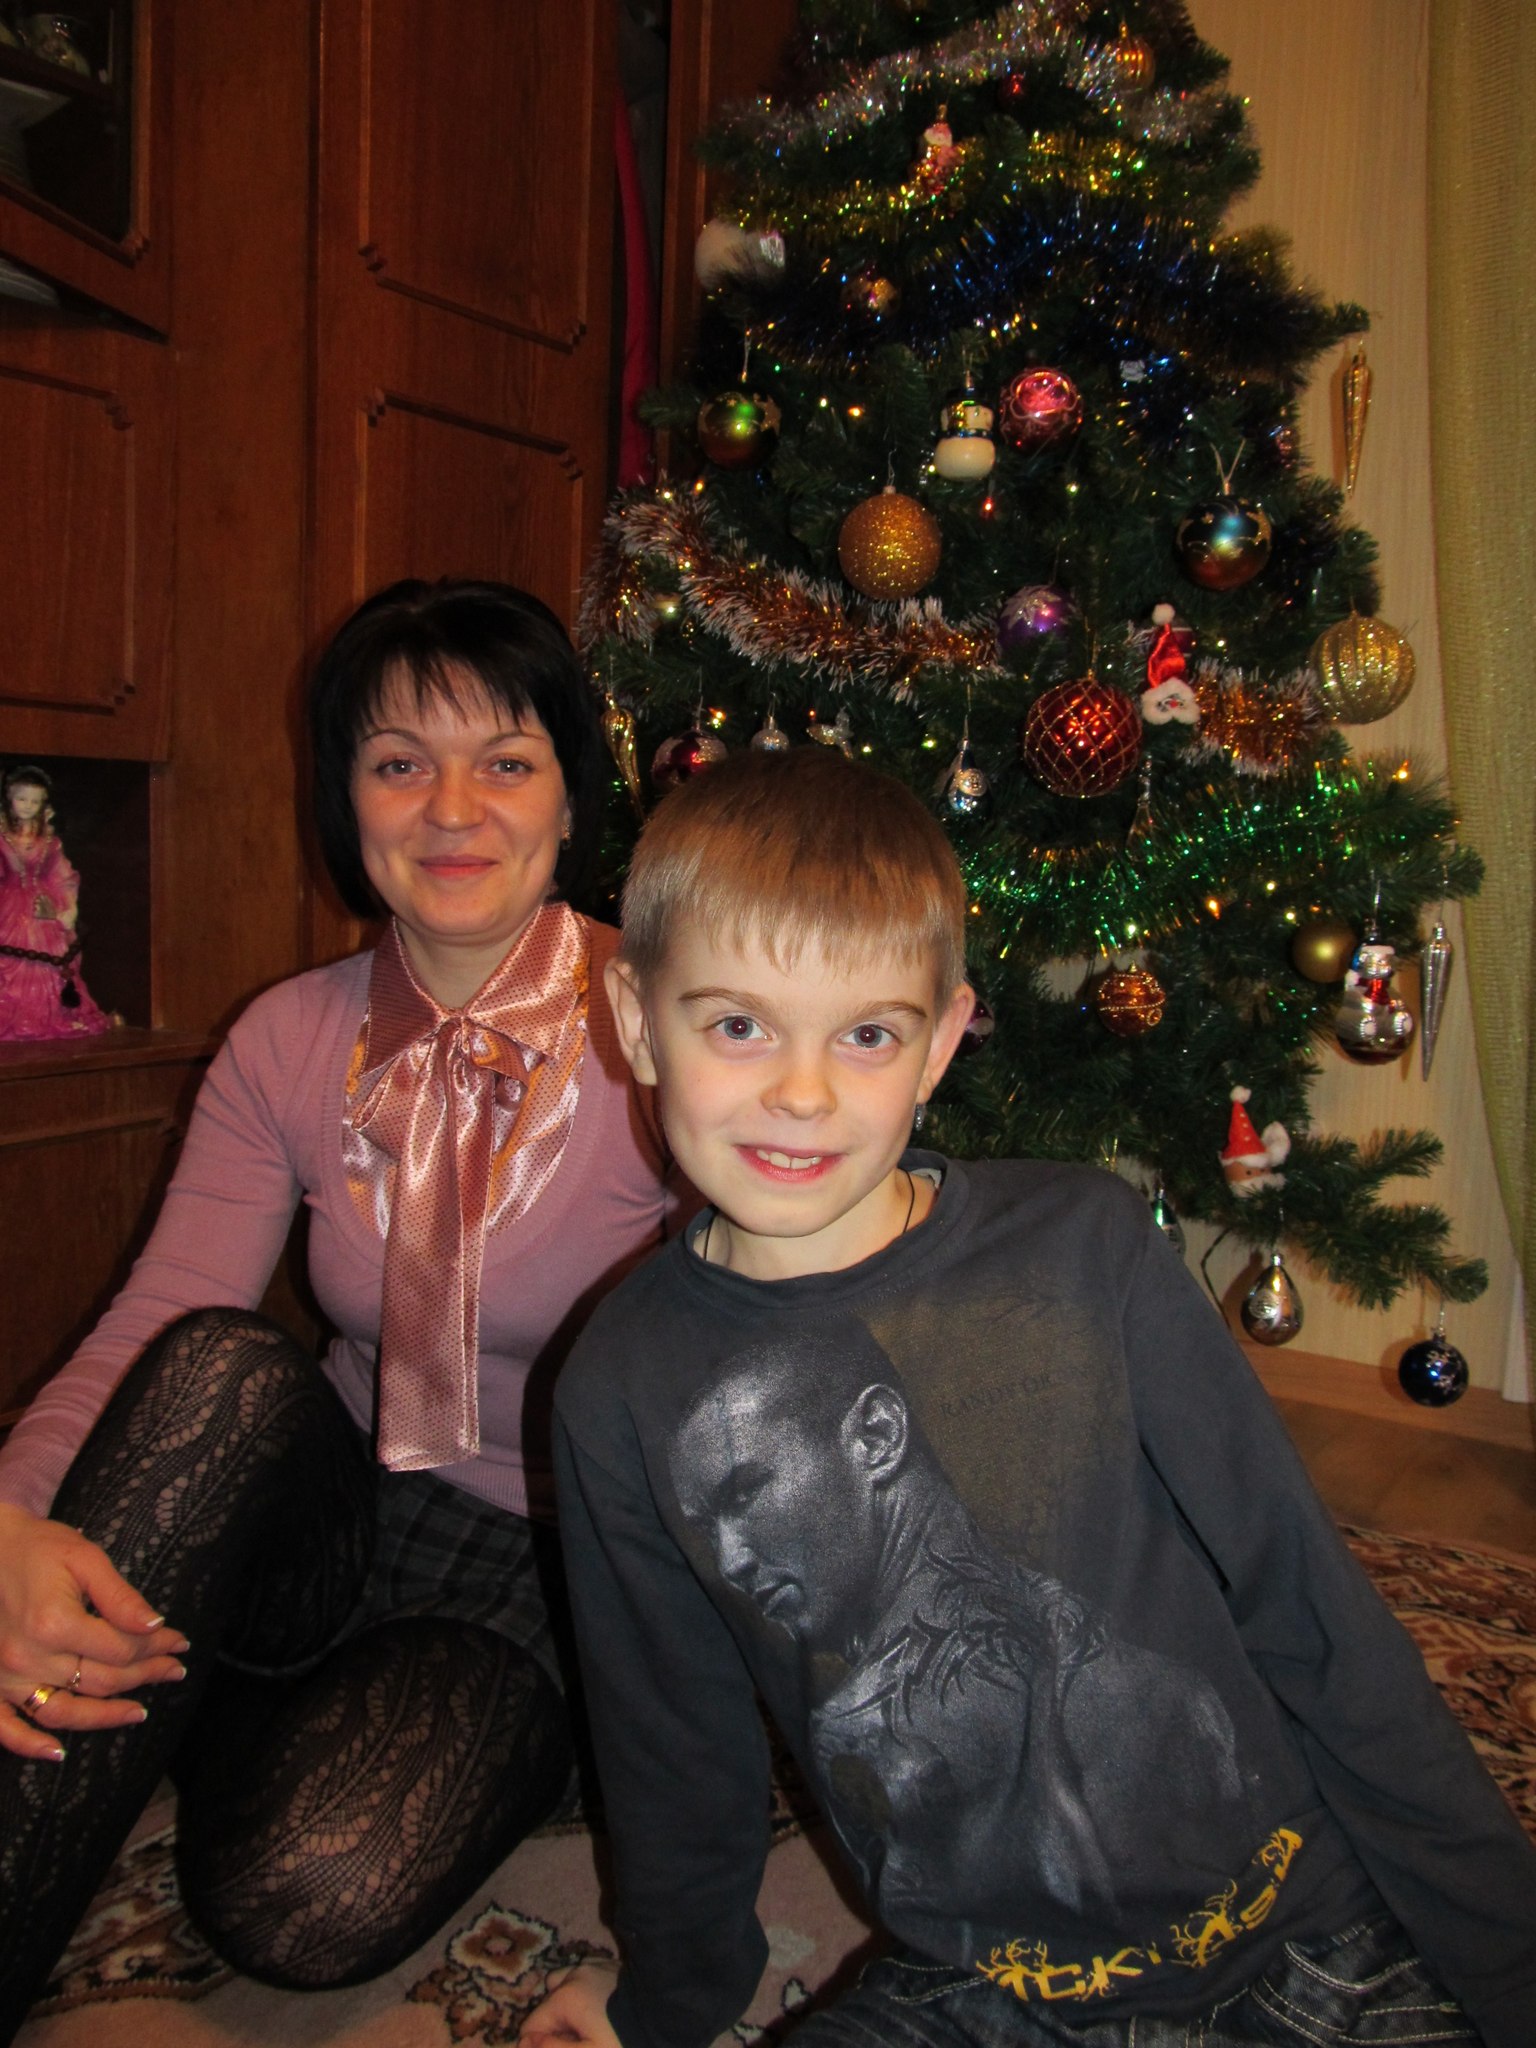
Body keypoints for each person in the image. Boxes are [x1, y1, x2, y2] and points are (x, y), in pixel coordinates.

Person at [522, 746, 1536, 2048]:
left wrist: (1513, 1969)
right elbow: (673, 1746)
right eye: (738, 1025)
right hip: (989, 1988)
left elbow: (1311, 1607)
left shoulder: (1087, 1249)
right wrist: (665, 2003)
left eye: (868, 1034)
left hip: (1304, 1935)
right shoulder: (619, 1385)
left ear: (941, 1041)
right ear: (632, 1015)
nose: (802, 1093)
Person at [0, 578, 683, 2037]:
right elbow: (159, 1315)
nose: (453, 809)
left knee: (301, 1897)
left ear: (571, 795)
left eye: (506, 760)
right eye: (398, 763)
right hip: (335, 1505)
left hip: (549, 1554)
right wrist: (7, 1519)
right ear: (347, 799)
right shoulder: (286, 1036)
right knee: (220, 1368)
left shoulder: (672, 1028)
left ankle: (202, 1716)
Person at [0, 764, 114, 1040]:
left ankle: (51, 1013)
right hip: (9, 906)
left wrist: (66, 908)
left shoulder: (49, 840)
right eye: (22, 799)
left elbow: (61, 875)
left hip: (43, 907)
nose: (28, 806)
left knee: (53, 961)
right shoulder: (2, 837)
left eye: (35, 801)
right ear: (9, 798)